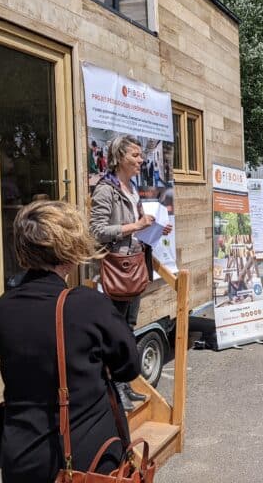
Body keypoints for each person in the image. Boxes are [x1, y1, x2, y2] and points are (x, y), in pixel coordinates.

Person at [0, 200, 141, 483]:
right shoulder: (88, 305)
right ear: (70, 249)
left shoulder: (5, 306)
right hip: (84, 462)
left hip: (21, 457)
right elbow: (128, 368)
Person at [90, 135, 171, 409]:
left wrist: (154, 227)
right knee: (115, 332)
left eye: (140, 155)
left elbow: (136, 228)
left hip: (135, 265)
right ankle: (114, 391)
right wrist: (136, 226)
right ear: (120, 157)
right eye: (135, 155)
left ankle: (125, 385)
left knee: (128, 329)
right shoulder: (106, 190)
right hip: (118, 269)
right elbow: (97, 232)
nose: (141, 160)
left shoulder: (131, 187)